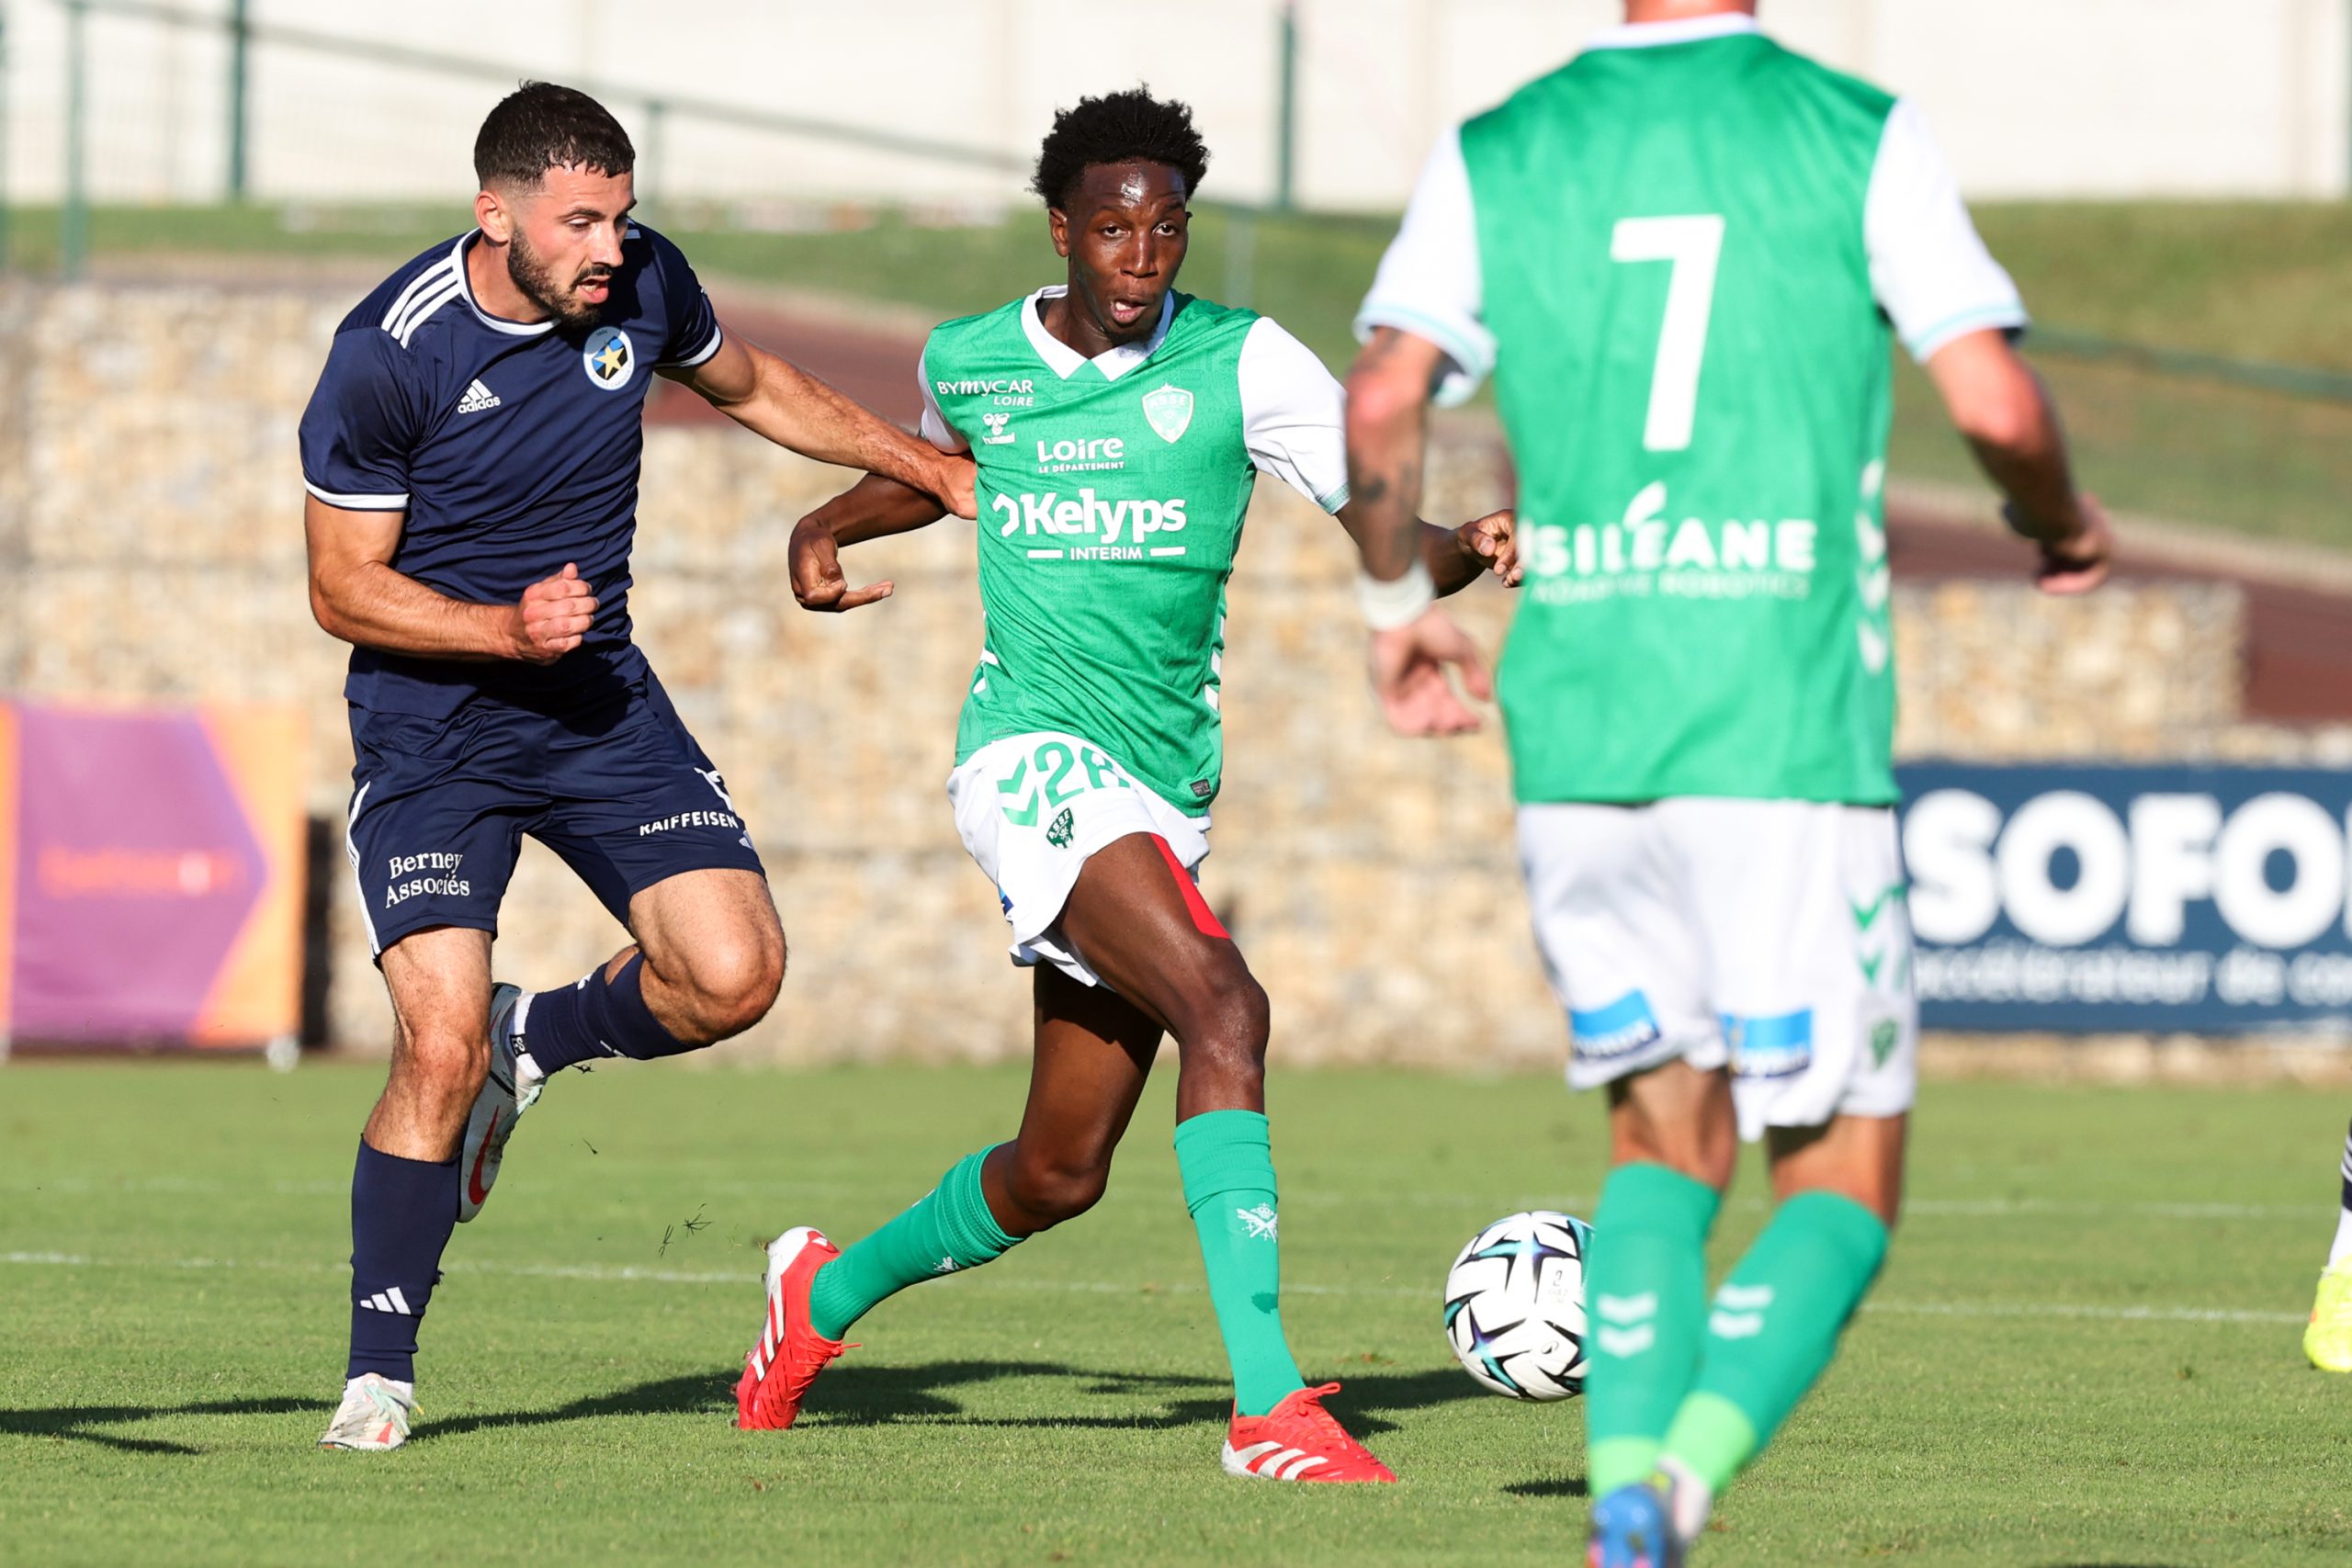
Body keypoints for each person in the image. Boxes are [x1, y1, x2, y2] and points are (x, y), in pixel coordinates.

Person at [1342, 2, 2111, 1559]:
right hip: (1780, 735)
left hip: (1579, 737)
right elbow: (1996, 404)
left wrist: (1392, 613)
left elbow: (1378, 402)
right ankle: (1670, 1485)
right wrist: (2058, 523)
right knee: (1838, 1182)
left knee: (1658, 1146)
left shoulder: (1502, 145)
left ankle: (1626, 1488)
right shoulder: (1850, 129)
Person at [734, 86, 1509, 1483]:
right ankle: (1269, 1406)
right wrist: (825, 517)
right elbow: (945, 471)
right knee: (1229, 1004)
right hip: (1026, 757)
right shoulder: (972, 356)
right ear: (1062, 231)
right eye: (1113, 228)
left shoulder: (1246, 361)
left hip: (1158, 790)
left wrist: (1471, 543)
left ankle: (820, 1298)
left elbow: (1378, 523)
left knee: (1058, 1171)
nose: (1143, 255)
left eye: (1167, 228)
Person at [300, 81, 973, 1451]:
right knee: (435, 1039)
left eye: (622, 214)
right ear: (497, 217)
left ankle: (533, 1042)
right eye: (581, 221)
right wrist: (499, 627)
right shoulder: (390, 351)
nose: (612, 246)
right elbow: (338, 588)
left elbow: (755, 384)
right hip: (437, 730)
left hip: (599, 705)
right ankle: (380, 1370)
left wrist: (925, 468)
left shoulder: (647, 285)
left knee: (735, 977)